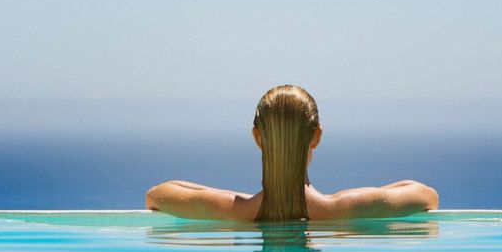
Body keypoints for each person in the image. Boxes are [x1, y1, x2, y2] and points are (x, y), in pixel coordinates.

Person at [145, 85, 439, 221]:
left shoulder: (233, 211)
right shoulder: (345, 209)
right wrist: (365, 196)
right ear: (317, 136)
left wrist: (223, 196)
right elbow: (426, 196)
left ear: (257, 138)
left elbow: (158, 195)